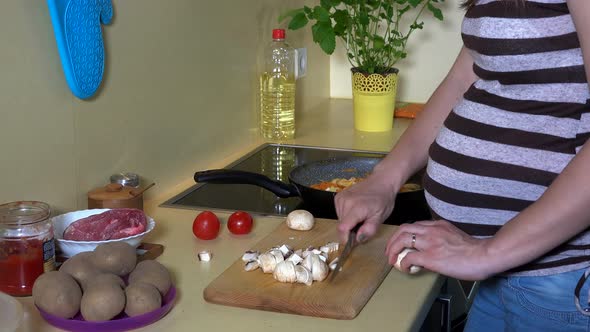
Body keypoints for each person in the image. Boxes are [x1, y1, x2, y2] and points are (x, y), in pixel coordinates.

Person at [334, 0, 590, 330]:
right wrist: (385, 178)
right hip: (504, 276)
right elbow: (462, 79)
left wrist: (488, 254)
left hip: (562, 282)